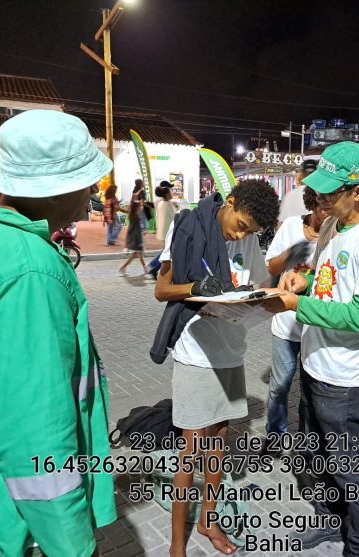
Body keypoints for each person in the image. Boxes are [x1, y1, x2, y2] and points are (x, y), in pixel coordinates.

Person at [0, 110, 116, 557]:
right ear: (54, 189)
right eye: (86, 180)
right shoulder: (30, 271)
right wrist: (71, 544)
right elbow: (37, 432)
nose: (91, 192)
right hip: (24, 519)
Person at [269, 142, 359, 556]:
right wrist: (303, 282)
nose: (321, 200)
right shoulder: (336, 226)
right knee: (317, 456)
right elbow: (331, 282)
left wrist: (298, 305)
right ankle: (332, 521)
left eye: (330, 192)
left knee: (352, 471)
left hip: (344, 378)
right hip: (314, 364)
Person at [151, 179, 279, 557]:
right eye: (241, 224)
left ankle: (208, 520)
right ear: (231, 201)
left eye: (250, 231)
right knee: (189, 454)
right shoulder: (189, 224)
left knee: (217, 443)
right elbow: (161, 289)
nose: (241, 234)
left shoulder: (248, 239)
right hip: (195, 353)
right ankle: (177, 546)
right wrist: (196, 287)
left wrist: (269, 296)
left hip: (230, 351)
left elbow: (254, 284)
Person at [263, 186, 328, 448]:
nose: (327, 214)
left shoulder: (335, 234)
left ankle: (305, 442)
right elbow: (271, 266)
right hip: (286, 324)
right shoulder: (291, 226)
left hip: (316, 325)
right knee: (280, 385)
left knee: (310, 390)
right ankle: (275, 435)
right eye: (322, 208)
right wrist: (291, 253)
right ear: (312, 205)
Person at [118, 182, 149, 276]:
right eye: (140, 206)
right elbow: (136, 202)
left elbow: (133, 202)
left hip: (134, 237)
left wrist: (138, 191)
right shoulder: (135, 216)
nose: (141, 207)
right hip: (136, 238)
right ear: (137, 208)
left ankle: (145, 268)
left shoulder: (133, 214)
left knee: (138, 253)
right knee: (136, 252)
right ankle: (123, 267)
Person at [146, 182, 176, 280]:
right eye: (170, 191)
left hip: (163, 231)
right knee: (167, 252)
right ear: (167, 193)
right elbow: (175, 217)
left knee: (167, 251)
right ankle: (153, 266)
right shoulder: (167, 204)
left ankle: (154, 267)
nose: (171, 193)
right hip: (168, 232)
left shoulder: (161, 202)